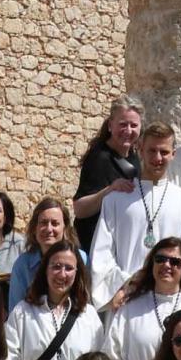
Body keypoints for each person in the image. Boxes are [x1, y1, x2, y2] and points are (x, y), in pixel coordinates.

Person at [88, 124, 181, 311]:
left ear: (173, 154)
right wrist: (125, 285)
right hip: (126, 298)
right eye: (152, 151)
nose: (157, 158)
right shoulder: (116, 200)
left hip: (171, 303)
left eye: (164, 152)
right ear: (140, 150)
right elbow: (102, 254)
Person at [6, 238, 105, 360]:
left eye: (69, 268)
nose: (62, 274)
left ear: (77, 273)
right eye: (56, 266)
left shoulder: (89, 316)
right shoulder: (22, 313)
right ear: (45, 269)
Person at [71, 97, 144, 256]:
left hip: (121, 245)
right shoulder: (99, 158)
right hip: (95, 247)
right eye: (123, 124)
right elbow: (79, 209)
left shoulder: (135, 157)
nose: (128, 131)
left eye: (133, 125)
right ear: (110, 125)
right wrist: (110, 189)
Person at [6, 197, 74, 313]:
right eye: (43, 223)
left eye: (55, 223)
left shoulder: (81, 260)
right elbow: (16, 311)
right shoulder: (23, 265)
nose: (49, 229)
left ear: (65, 228)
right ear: (34, 228)